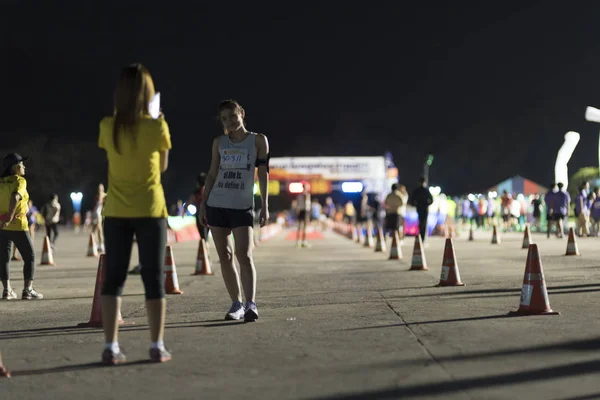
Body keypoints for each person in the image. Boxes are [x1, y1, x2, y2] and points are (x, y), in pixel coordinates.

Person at [98, 63, 172, 364]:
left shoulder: (107, 126)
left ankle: (110, 347)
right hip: (151, 209)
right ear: (148, 94)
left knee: (113, 278)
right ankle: (156, 345)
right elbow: (163, 167)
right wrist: (156, 118)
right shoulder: (157, 127)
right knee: (153, 278)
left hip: (115, 210)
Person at [197, 99, 270, 322]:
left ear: (241, 113)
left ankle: (251, 304)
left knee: (244, 255)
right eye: (224, 118)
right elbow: (211, 174)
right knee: (225, 256)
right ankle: (236, 304)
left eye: (232, 116)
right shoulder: (219, 142)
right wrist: (203, 203)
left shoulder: (258, 141)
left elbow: (264, 173)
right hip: (217, 204)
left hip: (242, 206)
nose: (229, 121)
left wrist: (264, 205)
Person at [0, 153, 43, 300]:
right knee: (30, 256)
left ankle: (7, 290)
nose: (24, 167)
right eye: (21, 164)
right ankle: (28, 290)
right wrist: (10, 217)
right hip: (18, 225)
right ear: (15, 167)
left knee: (4, 258)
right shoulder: (20, 181)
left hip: (1, 226)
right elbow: (15, 197)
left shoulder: (1, 182)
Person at [186, 173, 210, 248]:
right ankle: (206, 248)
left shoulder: (195, 193)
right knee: (206, 234)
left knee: (203, 235)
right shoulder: (209, 191)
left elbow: (189, 202)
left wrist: (184, 211)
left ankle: (205, 250)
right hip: (209, 215)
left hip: (200, 215)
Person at [410, 177, 433, 243]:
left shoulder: (417, 190)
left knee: (421, 222)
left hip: (420, 208)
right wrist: (427, 204)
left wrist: (416, 204)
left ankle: (421, 236)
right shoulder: (426, 190)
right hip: (424, 208)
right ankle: (422, 237)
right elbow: (431, 200)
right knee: (424, 222)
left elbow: (412, 200)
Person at [295, 183, 311, 248]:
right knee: (304, 227)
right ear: (305, 187)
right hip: (304, 211)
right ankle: (303, 241)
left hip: (301, 211)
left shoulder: (299, 195)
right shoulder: (306, 195)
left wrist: (297, 212)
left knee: (299, 227)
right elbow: (306, 205)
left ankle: (299, 241)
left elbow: (297, 204)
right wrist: (307, 215)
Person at [92, 183, 107, 253]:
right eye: (98, 188)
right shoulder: (97, 196)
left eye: (100, 188)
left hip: (99, 214)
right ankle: (96, 244)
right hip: (95, 213)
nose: (99, 189)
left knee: (99, 229)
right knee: (94, 230)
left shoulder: (104, 195)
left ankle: (101, 245)